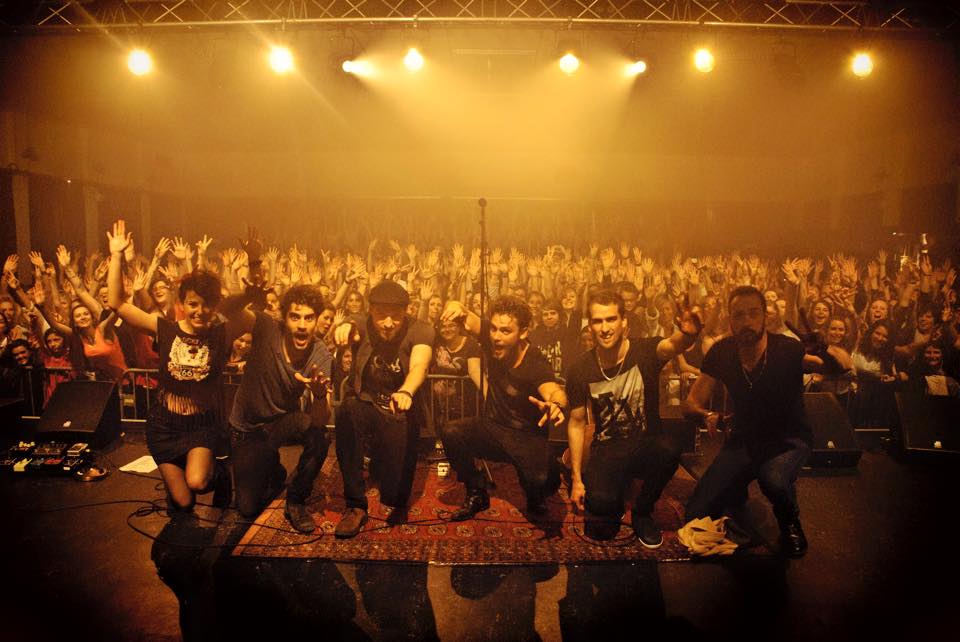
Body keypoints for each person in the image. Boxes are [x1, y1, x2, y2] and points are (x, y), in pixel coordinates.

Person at [107, 221, 229, 516]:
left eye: (207, 305)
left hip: (200, 426)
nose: (200, 311)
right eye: (193, 304)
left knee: (198, 482)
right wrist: (117, 255)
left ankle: (221, 473)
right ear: (183, 303)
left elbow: (245, 307)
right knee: (184, 503)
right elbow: (116, 303)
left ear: (215, 305)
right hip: (164, 426)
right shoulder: (165, 329)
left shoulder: (220, 333)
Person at [683, 285, 812, 558]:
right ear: (730, 320)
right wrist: (708, 415)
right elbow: (691, 403)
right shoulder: (722, 351)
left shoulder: (787, 348)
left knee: (773, 479)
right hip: (744, 440)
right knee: (696, 512)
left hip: (787, 440)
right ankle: (736, 492)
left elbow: (841, 366)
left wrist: (826, 350)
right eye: (739, 315)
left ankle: (790, 522)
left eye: (753, 313)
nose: (747, 322)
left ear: (765, 316)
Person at [565, 289, 701, 546]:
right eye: (598, 321)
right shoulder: (580, 369)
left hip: (645, 445)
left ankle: (642, 511)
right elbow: (577, 422)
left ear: (624, 322)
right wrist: (576, 479)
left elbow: (673, 345)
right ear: (590, 326)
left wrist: (689, 334)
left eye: (611, 319)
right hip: (608, 449)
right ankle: (615, 491)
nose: (605, 328)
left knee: (670, 448)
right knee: (601, 511)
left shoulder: (645, 351)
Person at [438, 295, 568, 520]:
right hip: (493, 428)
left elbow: (554, 391)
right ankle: (477, 492)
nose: (496, 337)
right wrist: (455, 305)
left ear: (523, 332)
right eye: (494, 329)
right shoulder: (493, 339)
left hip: (526, 438)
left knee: (545, 481)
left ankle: (535, 495)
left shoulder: (535, 363)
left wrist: (555, 404)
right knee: (451, 431)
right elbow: (466, 314)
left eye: (506, 331)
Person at [223, 284, 333, 533]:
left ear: (317, 320)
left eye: (309, 318)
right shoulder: (266, 327)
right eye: (295, 317)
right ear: (284, 318)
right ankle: (271, 466)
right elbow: (226, 309)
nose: (302, 325)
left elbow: (320, 419)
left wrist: (318, 395)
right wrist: (247, 295)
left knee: (319, 436)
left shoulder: (321, 355)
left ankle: (296, 500)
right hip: (247, 430)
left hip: (282, 423)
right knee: (247, 507)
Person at [332, 280, 434, 538]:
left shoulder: (420, 329)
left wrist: (406, 391)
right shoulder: (361, 323)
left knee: (394, 494)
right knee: (346, 411)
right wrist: (344, 328)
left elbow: (420, 365)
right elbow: (350, 324)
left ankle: (395, 496)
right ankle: (355, 505)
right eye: (381, 315)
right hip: (366, 403)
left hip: (401, 407)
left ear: (406, 313)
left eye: (395, 316)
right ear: (371, 312)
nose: (388, 323)